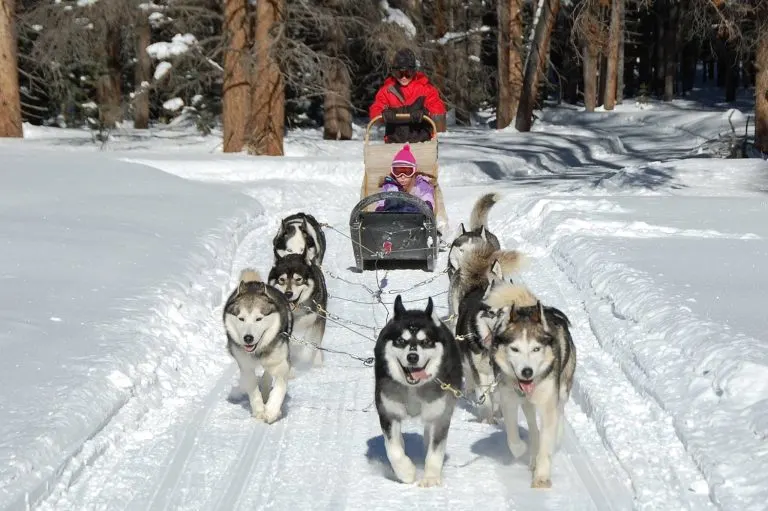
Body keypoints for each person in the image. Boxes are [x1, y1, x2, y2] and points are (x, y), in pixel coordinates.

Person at [369, 48, 447, 144]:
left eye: (408, 73)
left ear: (414, 72)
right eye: (399, 74)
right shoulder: (387, 91)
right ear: (393, 73)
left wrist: (426, 112)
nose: (404, 77)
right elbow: (375, 110)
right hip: (394, 142)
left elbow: (439, 113)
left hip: (422, 143)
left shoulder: (425, 89)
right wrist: (383, 113)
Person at [376, 143, 435, 213]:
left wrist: (425, 207)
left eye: (407, 172)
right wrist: (381, 210)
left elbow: (428, 200)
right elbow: (381, 202)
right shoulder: (390, 186)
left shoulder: (421, 186)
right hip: (391, 219)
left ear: (414, 171)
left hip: (416, 219)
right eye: (397, 172)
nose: (402, 176)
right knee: (393, 200)